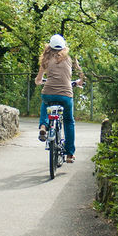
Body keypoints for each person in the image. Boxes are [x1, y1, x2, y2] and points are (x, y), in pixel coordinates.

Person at [35, 34, 84, 163]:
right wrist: (79, 81)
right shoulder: (69, 58)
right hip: (66, 95)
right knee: (68, 121)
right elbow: (81, 72)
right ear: (64, 46)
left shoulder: (46, 59)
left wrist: (39, 81)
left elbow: (38, 79)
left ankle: (43, 127)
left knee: (45, 104)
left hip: (49, 92)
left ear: (49, 46)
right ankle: (69, 154)